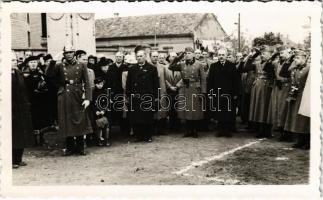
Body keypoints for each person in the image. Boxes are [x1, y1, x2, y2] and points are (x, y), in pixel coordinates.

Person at [46, 45, 92, 156]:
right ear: (64, 54)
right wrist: (53, 61)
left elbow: (87, 82)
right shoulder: (59, 66)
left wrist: (87, 98)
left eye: (71, 52)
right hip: (65, 94)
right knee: (67, 120)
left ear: (74, 53)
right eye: (67, 53)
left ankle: (81, 147)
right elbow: (48, 74)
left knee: (79, 119)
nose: (69, 54)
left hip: (77, 94)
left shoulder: (81, 65)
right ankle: (70, 147)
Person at [169, 47, 206, 138]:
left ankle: (195, 130)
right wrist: (179, 56)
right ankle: (188, 130)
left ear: (193, 54)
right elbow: (171, 66)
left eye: (189, 53)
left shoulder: (199, 64)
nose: (187, 55)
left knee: (195, 110)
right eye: (186, 53)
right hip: (184, 89)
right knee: (185, 110)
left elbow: (203, 79)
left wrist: (203, 92)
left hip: (195, 89)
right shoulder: (182, 64)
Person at [126, 47, 159, 142]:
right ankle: (138, 136)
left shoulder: (152, 69)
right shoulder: (132, 69)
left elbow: (155, 84)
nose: (139, 58)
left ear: (145, 56)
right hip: (135, 97)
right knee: (136, 118)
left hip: (147, 96)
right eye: (138, 56)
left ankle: (148, 136)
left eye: (141, 56)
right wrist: (128, 95)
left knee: (147, 117)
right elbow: (129, 83)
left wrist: (156, 96)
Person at [207, 48, 240, 137]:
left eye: (223, 55)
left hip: (229, 93)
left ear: (226, 56)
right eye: (220, 55)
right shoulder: (213, 66)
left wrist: (236, 93)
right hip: (217, 93)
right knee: (219, 112)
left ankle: (227, 131)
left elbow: (236, 81)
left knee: (228, 112)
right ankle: (220, 130)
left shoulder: (232, 66)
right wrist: (210, 93)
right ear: (218, 56)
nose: (221, 57)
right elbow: (210, 80)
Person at [283, 51, 310, 149]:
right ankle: (299, 140)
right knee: (296, 119)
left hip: (305, 96)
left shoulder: (309, 68)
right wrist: (293, 63)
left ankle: (307, 141)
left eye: (298, 58)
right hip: (295, 96)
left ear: (304, 58)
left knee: (304, 119)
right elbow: (284, 72)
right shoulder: (294, 68)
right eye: (295, 58)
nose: (295, 60)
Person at [11, 51, 34, 168]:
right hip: (11, 109)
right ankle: (12, 160)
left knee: (22, 134)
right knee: (13, 135)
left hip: (22, 108)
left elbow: (24, 90)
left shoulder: (18, 73)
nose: (14, 62)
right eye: (11, 61)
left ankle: (19, 158)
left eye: (15, 60)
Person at [23, 55, 51, 145]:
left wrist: (44, 90)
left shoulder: (42, 76)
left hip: (41, 102)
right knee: (32, 120)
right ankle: (33, 139)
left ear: (37, 63)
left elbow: (48, 87)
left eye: (35, 62)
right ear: (28, 64)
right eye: (31, 63)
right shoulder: (24, 76)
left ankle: (42, 138)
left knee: (41, 120)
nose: (33, 64)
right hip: (31, 102)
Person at [248, 45, 275, 138]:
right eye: (261, 53)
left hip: (266, 87)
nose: (262, 55)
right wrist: (253, 56)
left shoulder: (272, 63)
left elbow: (270, 73)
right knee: (259, 108)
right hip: (258, 87)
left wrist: (270, 60)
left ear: (270, 54)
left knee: (265, 108)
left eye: (264, 53)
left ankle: (267, 131)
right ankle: (260, 129)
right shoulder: (257, 63)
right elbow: (245, 67)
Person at [108, 52, 131, 137]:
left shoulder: (125, 67)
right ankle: (114, 131)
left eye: (120, 57)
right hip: (114, 92)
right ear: (115, 58)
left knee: (123, 111)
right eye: (117, 57)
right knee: (114, 110)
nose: (118, 58)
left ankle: (124, 130)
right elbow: (108, 80)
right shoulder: (111, 67)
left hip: (122, 92)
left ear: (122, 58)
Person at [150, 51, 168, 135]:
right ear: (150, 57)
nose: (155, 58)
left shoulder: (162, 67)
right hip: (152, 91)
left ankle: (162, 129)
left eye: (156, 56)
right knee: (153, 109)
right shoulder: (148, 66)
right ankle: (153, 129)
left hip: (161, 90)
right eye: (153, 56)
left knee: (162, 110)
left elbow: (165, 79)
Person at [92, 77, 111, 146]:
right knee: (98, 126)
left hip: (104, 111)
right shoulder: (93, 92)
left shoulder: (105, 91)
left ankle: (107, 140)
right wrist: (95, 111)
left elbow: (108, 102)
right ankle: (99, 140)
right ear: (95, 84)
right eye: (98, 84)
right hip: (97, 111)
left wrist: (104, 110)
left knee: (106, 126)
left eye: (101, 84)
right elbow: (92, 104)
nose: (100, 85)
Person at [165, 52, 182, 132]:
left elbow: (184, 76)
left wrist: (178, 85)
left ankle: (178, 126)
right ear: (169, 58)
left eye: (176, 56)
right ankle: (171, 126)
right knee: (170, 108)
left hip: (179, 90)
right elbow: (163, 78)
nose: (174, 58)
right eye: (172, 56)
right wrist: (170, 86)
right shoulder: (165, 67)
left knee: (178, 108)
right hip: (169, 90)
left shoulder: (180, 66)